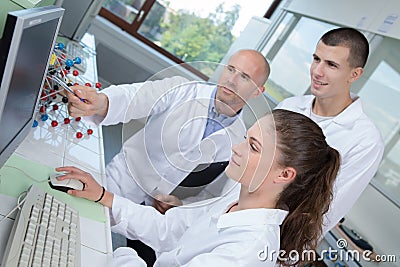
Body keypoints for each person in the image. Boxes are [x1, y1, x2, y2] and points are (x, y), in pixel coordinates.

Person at [55, 109, 341, 267]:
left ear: (284, 174)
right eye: (246, 138)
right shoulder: (235, 199)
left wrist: (121, 256)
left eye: (253, 147)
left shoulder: (246, 251)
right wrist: (105, 197)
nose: (237, 148)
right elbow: (168, 229)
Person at [66, 49, 270, 208]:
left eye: (244, 77)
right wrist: (101, 101)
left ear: (258, 92)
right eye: (230, 69)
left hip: (150, 212)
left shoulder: (241, 142)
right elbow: (136, 97)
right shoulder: (182, 90)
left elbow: (214, 195)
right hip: (118, 181)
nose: (231, 80)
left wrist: (181, 205)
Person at [276, 27, 384, 234]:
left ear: (355, 74)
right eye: (316, 59)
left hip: (280, 243)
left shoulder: (365, 141)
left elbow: (327, 212)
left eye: (331, 65)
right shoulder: (288, 107)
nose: (317, 71)